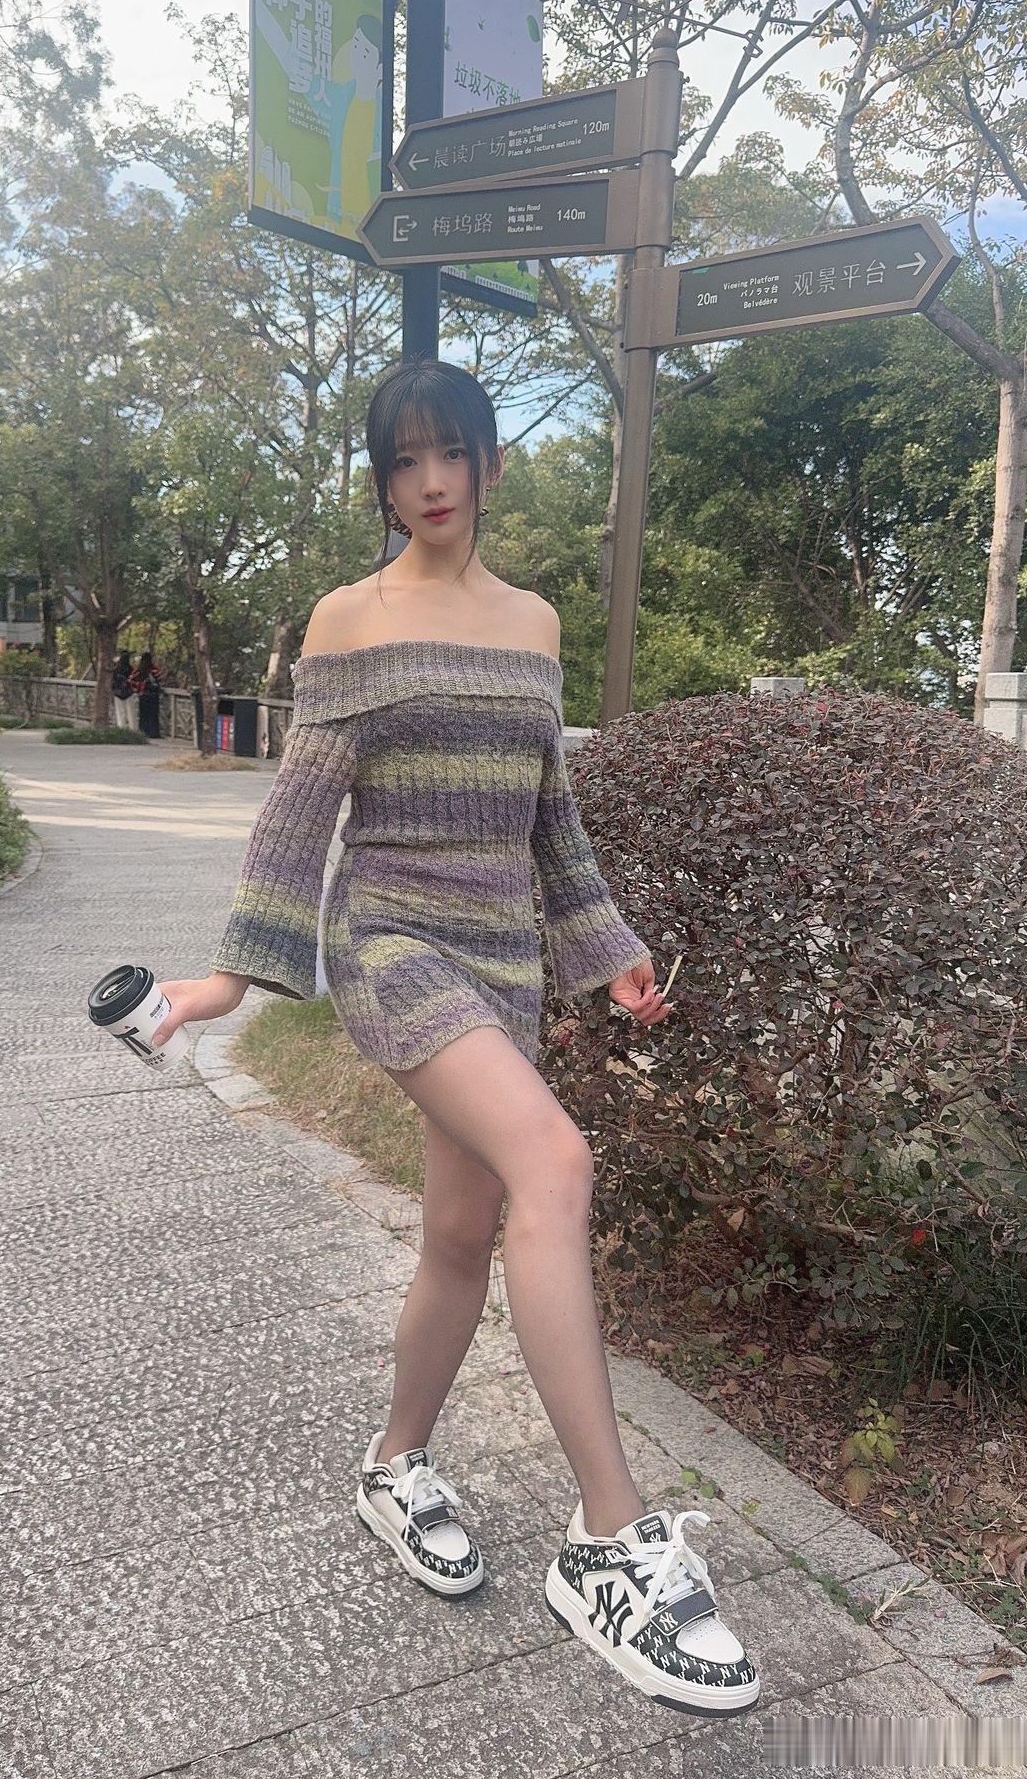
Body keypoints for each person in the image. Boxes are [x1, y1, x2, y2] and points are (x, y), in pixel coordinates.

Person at [147, 360, 758, 1717]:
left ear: (488, 463)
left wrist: (608, 951)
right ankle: (608, 1543)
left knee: (460, 1235)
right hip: (391, 942)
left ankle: (395, 1462)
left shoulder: (532, 623)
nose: (428, 482)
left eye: (450, 453)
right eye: (403, 460)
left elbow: (551, 815)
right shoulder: (348, 618)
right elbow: (300, 813)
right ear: (383, 479)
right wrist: (234, 978)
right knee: (555, 1164)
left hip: (503, 960)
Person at [131, 650, 162, 738]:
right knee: (153, 714)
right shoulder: (154, 669)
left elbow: (132, 679)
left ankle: (143, 732)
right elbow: (159, 679)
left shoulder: (139, 669)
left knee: (143, 714)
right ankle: (154, 732)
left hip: (143, 694)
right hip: (153, 695)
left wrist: (137, 688)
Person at [111, 649, 137, 730]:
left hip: (118, 694)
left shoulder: (116, 670)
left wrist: (114, 690)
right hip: (129, 693)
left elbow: (113, 682)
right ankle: (133, 730)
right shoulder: (131, 669)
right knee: (131, 713)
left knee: (120, 713)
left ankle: (121, 729)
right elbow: (134, 681)